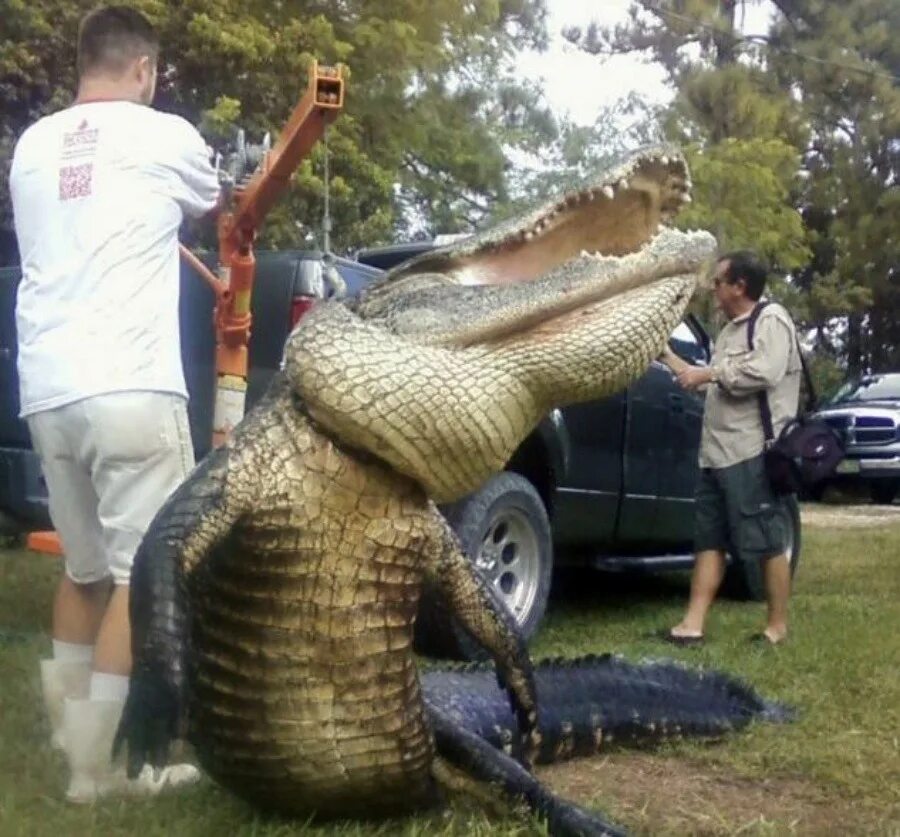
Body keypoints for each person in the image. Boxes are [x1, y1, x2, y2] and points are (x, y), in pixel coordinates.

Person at [9, 5, 220, 801]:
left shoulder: (29, 147)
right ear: (144, 70)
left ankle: (72, 737)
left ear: (83, 62)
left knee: (85, 567)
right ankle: (97, 771)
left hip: (48, 387)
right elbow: (213, 196)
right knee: (144, 574)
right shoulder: (159, 134)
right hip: (130, 382)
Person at [662, 251, 801, 646]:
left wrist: (710, 372)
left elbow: (764, 370)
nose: (713, 287)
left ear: (739, 286)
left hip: (750, 452)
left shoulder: (771, 320)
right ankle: (692, 624)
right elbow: (710, 383)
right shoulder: (726, 333)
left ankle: (776, 627)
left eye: (719, 281)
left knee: (767, 542)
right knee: (709, 540)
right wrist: (669, 356)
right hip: (715, 454)